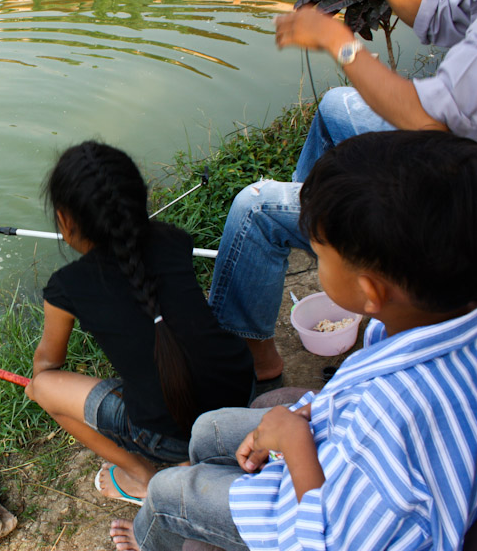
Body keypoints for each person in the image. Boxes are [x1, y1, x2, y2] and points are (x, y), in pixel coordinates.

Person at [110, 129, 477, 550]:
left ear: (371, 291)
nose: (317, 263)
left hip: (314, 513)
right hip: (338, 458)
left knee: (165, 495)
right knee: (208, 430)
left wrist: (297, 444)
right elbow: (352, 406)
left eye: (321, 257)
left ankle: (155, 538)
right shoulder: (430, 322)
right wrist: (305, 415)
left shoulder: (394, 412)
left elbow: (328, 541)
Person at [210, 0, 477, 384]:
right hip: (452, 157)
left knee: (254, 209)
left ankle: (258, 359)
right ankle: (320, 237)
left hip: (454, 194)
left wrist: (340, 41)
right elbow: (441, 13)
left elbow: (430, 127)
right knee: (337, 106)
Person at [25, 141, 254, 505]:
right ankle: (199, 451)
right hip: (240, 392)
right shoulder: (175, 240)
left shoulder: (65, 287)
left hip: (171, 437)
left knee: (43, 387)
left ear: (65, 221)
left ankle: (143, 478)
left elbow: (48, 364)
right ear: (140, 198)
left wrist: (37, 381)